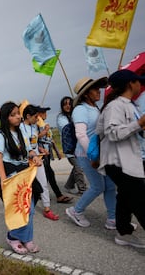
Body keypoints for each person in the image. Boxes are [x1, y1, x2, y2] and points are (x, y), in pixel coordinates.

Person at [96, 69, 145, 248]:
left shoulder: (131, 105)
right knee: (140, 200)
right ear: (130, 84)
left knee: (125, 198)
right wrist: (139, 124)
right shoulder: (115, 106)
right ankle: (123, 231)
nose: (140, 84)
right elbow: (112, 132)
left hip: (130, 160)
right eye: (138, 81)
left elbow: (134, 133)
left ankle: (123, 232)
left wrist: (140, 127)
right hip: (119, 162)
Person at [65, 76, 116, 229]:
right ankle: (76, 210)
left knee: (110, 185)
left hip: (100, 153)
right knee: (97, 186)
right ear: (86, 93)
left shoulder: (95, 108)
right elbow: (81, 134)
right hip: (87, 155)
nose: (98, 91)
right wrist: (93, 155)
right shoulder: (80, 109)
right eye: (95, 89)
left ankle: (113, 218)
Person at [0, 101, 42, 254]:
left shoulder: (22, 132)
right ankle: (13, 237)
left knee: (30, 208)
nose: (18, 117)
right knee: (19, 209)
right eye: (13, 115)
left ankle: (26, 238)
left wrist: (35, 157)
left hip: (24, 174)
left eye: (18, 113)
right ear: (5, 118)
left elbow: (29, 151)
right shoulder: (0, 135)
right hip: (11, 176)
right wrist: (3, 180)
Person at [20, 104, 60, 220]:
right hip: (27, 161)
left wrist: (40, 149)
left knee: (43, 183)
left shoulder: (34, 126)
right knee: (26, 187)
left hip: (37, 159)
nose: (38, 119)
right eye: (35, 116)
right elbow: (26, 145)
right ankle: (23, 210)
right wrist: (32, 154)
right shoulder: (21, 128)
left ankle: (47, 209)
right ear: (28, 116)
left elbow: (34, 141)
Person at [37, 106, 73, 204]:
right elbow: (35, 138)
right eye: (44, 112)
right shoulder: (36, 125)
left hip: (48, 153)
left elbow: (51, 140)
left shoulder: (45, 124)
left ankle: (40, 193)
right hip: (41, 154)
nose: (46, 114)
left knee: (47, 175)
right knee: (49, 174)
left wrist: (57, 151)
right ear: (39, 114)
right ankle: (58, 195)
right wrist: (44, 130)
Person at [56, 96, 87, 195]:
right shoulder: (61, 117)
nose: (68, 106)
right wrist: (77, 121)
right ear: (62, 106)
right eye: (65, 104)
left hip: (79, 146)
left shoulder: (75, 114)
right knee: (79, 167)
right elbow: (68, 128)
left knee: (78, 166)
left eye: (70, 103)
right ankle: (82, 189)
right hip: (70, 148)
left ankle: (69, 185)